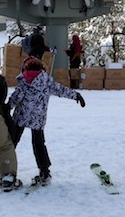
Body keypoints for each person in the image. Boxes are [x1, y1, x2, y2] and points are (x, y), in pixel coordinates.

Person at [8, 57, 86, 187]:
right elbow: (61, 90)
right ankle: (44, 172)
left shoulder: (23, 81)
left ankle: (2, 168)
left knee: (11, 143)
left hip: (21, 116)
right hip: (38, 118)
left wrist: (6, 108)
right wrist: (76, 95)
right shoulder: (47, 81)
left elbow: (16, 97)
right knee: (39, 145)